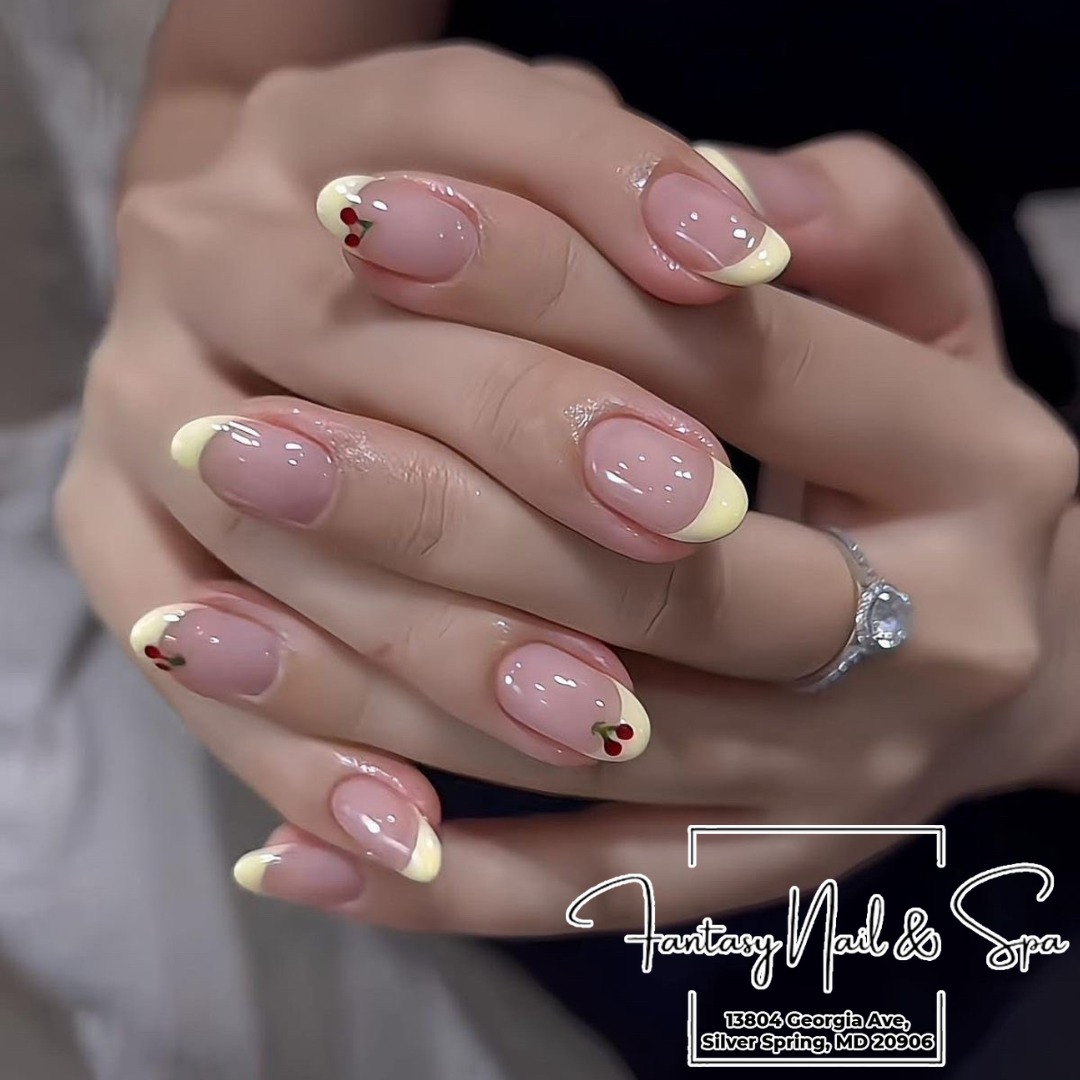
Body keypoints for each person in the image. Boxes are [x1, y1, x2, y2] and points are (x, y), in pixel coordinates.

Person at [55, 1, 1080, 1075]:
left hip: (984, 478)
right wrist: (205, 299)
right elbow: (213, 94)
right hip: (445, 580)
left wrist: (1052, 670)